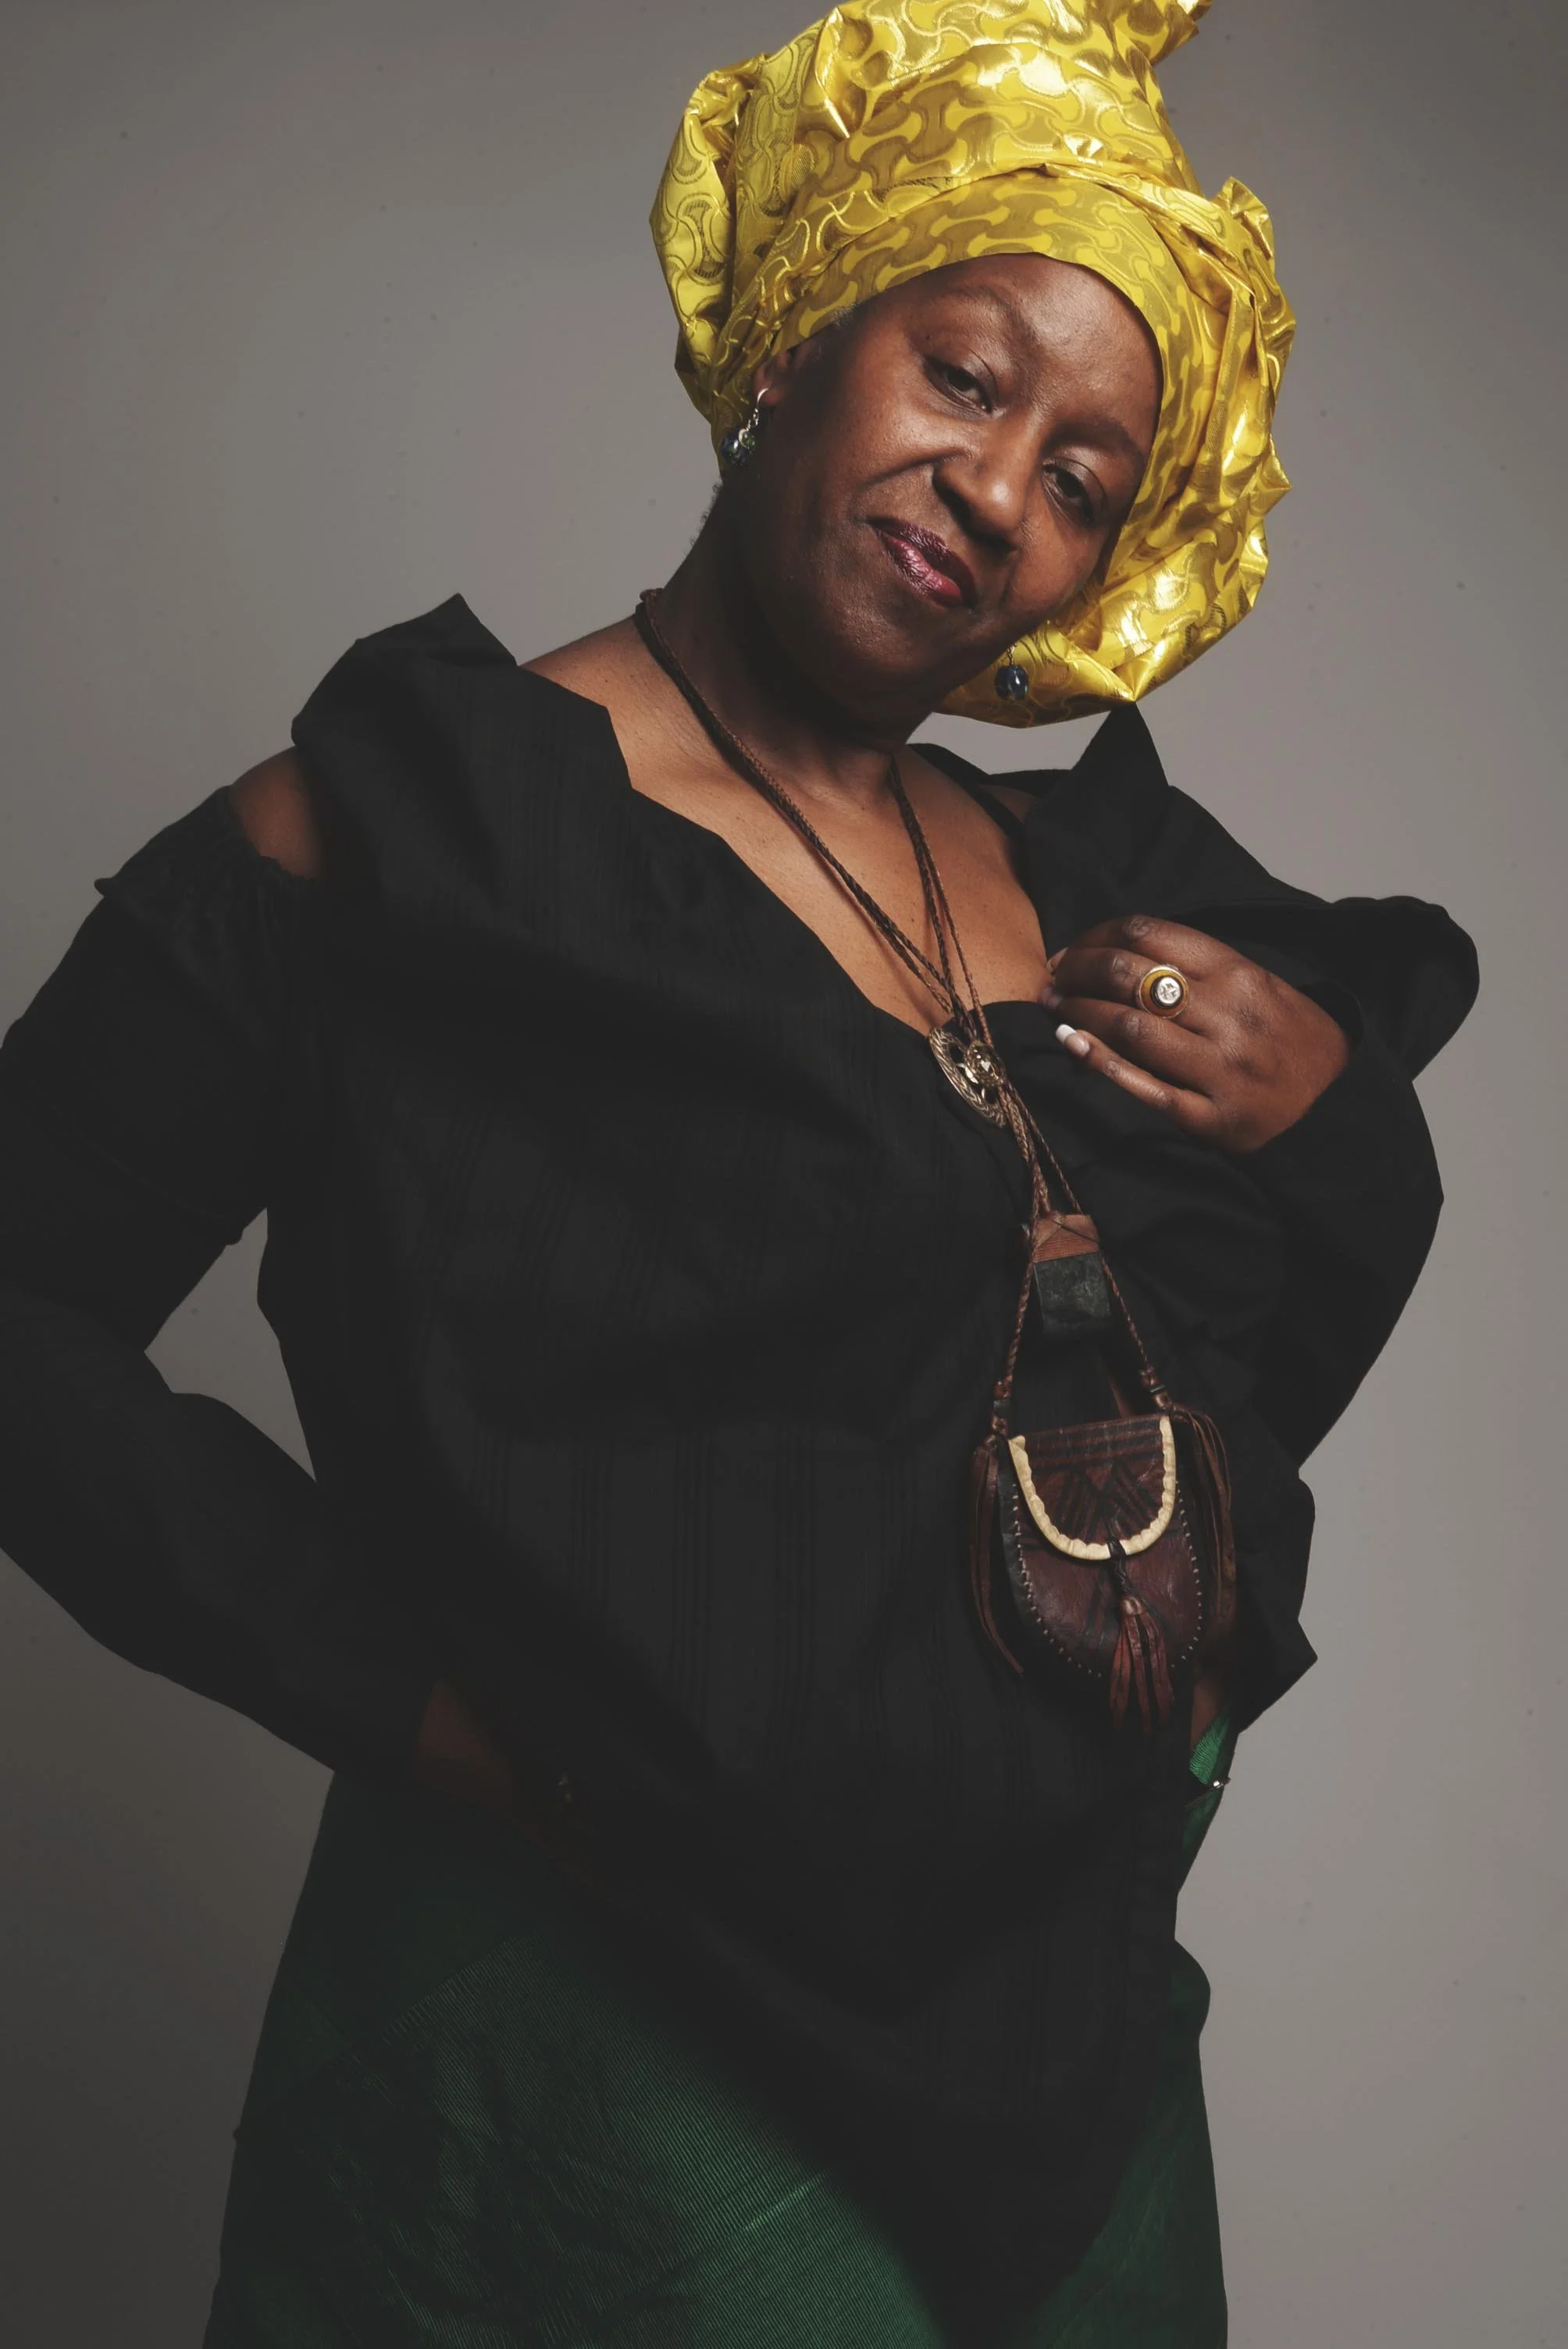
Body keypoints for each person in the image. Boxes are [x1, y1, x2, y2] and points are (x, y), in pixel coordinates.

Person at [0, 3, 1476, 2344]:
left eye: (1087, 477)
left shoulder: (1094, 880)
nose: (1000, 491)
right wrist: (412, 1704)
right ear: (804, 325)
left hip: (1074, 2075)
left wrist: (1329, 1114)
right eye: (964, 375)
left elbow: (1239, 1366)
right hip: (610, 2078)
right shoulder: (411, 838)